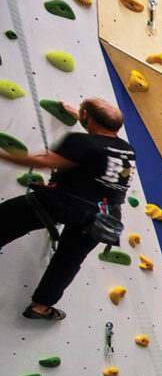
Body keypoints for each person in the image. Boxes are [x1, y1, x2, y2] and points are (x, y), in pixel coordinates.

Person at [0, 98, 135, 321]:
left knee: (6, 219)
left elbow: (46, 163)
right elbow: (100, 141)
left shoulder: (81, 142)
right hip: (105, 217)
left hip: (66, 203)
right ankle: (41, 307)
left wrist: (5, 155)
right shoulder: (126, 149)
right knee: (69, 259)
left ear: (86, 118)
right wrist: (78, 114)